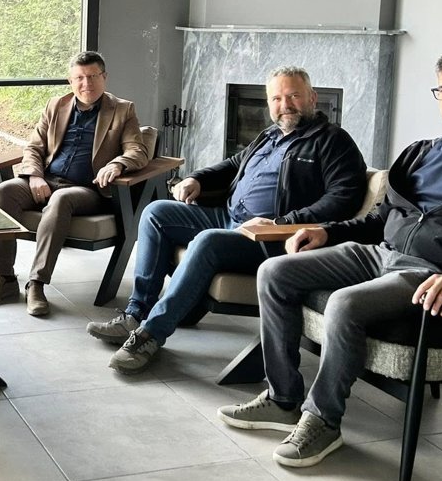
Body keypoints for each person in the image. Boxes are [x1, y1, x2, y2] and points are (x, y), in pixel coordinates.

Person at [219, 49, 442, 469]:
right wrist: (327, 231)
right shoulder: (421, 152)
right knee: (275, 271)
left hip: (433, 274)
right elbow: (379, 220)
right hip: (381, 255)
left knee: (345, 302)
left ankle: (323, 421)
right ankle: (283, 398)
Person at [86, 67, 368, 373]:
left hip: (272, 238)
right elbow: (232, 165)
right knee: (156, 213)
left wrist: (283, 222)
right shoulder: (270, 135)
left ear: (312, 98)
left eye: (293, 96)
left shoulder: (332, 140)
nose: (285, 104)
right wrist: (196, 179)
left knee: (207, 241)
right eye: (276, 98)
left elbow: (344, 197)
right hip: (228, 217)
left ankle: (150, 335)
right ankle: (135, 314)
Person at [0, 51, 150, 316]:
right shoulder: (55, 105)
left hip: (86, 190)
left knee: (61, 199)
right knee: (5, 191)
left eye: (93, 76)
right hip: (46, 181)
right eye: (79, 78)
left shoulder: (122, 110)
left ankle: (36, 283)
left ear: (104, 77)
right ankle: (5, 278)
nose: (86, 83)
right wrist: (35, 176)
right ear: (71, 81)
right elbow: (34, 147)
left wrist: (117, 164)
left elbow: (137, 150)